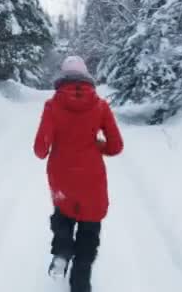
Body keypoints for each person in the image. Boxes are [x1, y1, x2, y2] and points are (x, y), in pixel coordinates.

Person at [33, 55, 124, 292]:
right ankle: (80, 282)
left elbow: (40, 150)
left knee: (63, 215)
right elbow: (116, 147)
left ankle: (62, 251)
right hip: (92, 177)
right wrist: (97, 145)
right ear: (87, 78)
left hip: (62, 176)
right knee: (89, 228)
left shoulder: (52, 106)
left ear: (62, 76)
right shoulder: (101, 106)